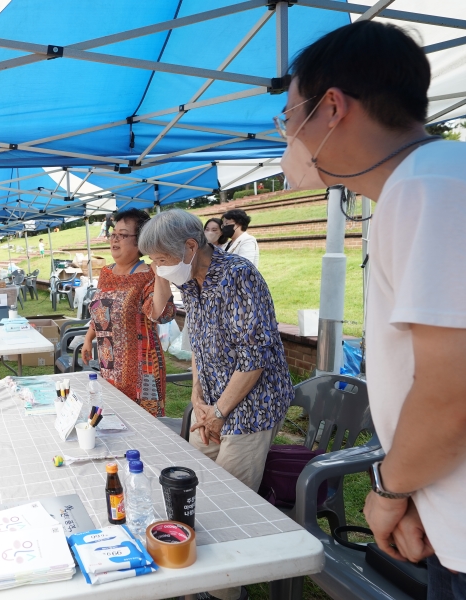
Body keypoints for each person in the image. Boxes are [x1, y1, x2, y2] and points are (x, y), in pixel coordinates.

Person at [280, 21, 466, 595]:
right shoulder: (431, 181)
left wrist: (386, 491)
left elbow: (451, 389)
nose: (290, 137)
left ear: (331, 108)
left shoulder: (428, 190)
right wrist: (414, 492)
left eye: (290, 117)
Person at [140, 209, 293, 600]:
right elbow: (193, 343)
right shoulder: (191, 281)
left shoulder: (238, 275)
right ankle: (194, 582)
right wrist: (197, 400)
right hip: (212, 402)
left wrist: (220, 412)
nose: (157, 269)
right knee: (189, 490)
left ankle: (225, 590)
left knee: (228, 505)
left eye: (160, 260)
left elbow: (254, 358)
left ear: (191, 247)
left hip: (252, 405)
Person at [81, 209, 175, 418]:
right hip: (109, 364)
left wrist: (160, 275)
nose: (115, 240)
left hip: (142, 370)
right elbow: (101, 313)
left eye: (122, 235)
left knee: (144, 428)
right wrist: (89, 339)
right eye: (113, 234)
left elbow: (162, 315)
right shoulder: (106, 273)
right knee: (112, 419)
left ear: (140, 241)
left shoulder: (148, 274)